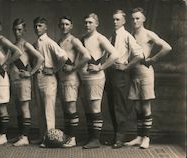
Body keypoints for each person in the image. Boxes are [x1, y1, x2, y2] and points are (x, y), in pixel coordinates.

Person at [124, 7, 172, 149]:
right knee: (137, 107)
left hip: (145, 73)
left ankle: (146, 137)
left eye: (137, 18)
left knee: (145, 106)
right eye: (132, 18)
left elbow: (167, 47)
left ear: (143, 19)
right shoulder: (131, 34)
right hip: (134, 73)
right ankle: (139, 136)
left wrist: (153, 59)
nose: (135, 21)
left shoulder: (148, 34)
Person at [105, 9, 144, 149]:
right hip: (110, 74)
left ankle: (120, 138)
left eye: (118, 19)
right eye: (114, 19)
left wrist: (126, 67)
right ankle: (116, 135)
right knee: (111, 105)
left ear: (123, 21)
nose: (115, 22)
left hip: (121, 75)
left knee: (119, 107)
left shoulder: (127, 36)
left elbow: (139, 55)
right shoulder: (111, 36)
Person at [80, 13, 118, 149]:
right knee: (88, 108)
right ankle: (91, 137)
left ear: (96, 24)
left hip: (96, 78)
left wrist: (100, 67)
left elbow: (114, 55)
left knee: (95, 107)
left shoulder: (100, 38)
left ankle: (96, 140)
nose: (87, 25)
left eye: (90, 22)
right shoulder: (83, 38)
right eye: (86, 22)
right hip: (84, 77)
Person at [32, 17, 68, 147]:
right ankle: (42, 137)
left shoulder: (49, 42)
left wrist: (54, 70)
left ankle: (50, 140)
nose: (37, 28)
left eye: (40, 26)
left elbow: (64, 56)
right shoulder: (37, 42)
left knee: (48, 110)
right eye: (36, 26)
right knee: (40, 110)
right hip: (38, 78)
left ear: (46, 27)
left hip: (49, 80)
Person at [0, 18, 22, 145]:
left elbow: (18, 52)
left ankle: (3, 135)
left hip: (1, 76)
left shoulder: (3, 40)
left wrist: (6, 62)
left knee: (1, 106)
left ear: (0, 27)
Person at [57, 16, 91, 148]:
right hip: (62, 78)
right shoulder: (59, 41)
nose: (64, 26)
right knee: (66, 108)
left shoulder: (74, 40)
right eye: (62, 24)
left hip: (71, 78)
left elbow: (87, 56)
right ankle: (68, 136)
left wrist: (74, 67)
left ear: (71, 26)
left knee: (71, 108)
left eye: (67, 24)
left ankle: (72, 138)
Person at [11, 18, 44, 146]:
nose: (17, 32)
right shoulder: (14, 45)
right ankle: (21, 135)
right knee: (18, 109)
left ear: (24, 30)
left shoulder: (25, 44)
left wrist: (30, 73)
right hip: (15, 80)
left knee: (24, 108)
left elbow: (40, 58)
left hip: (24, 81)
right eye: (15, 30)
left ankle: (25, 137)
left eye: (19, 30)